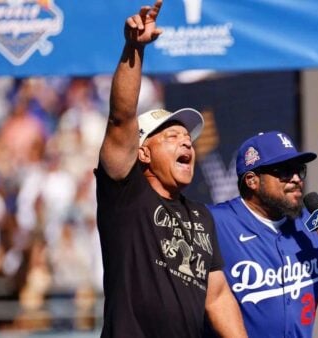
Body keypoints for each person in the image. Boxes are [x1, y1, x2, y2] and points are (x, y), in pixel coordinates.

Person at [95, 1, 247, 337]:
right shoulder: (126, 196)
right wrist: (134, 48)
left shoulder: (200, 216)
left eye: (188, 138)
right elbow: (121, 118)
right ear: (143, 153)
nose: (186, 143)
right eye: (173, 136)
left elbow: (218, 295)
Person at [208, 131, 318, 338]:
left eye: (299, 170)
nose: (296, 179)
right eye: (285, 171)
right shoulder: (214, 222)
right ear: (252, 180)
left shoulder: (312, 225)